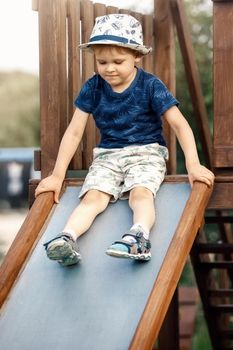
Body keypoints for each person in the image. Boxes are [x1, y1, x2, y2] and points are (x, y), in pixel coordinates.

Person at [35, 14, 214, 266]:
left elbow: (179, 124)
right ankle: (67, 238)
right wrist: (56, 175)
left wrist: (193, 165)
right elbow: (74, 132)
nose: (109, 68)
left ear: (136, 56)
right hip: (108, 155)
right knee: (93, 197)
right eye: (102, 61)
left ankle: (139, 236)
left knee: (139, 194)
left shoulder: (151, 86)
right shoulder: (93, 87)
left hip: (147, 153)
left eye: (118, 61)